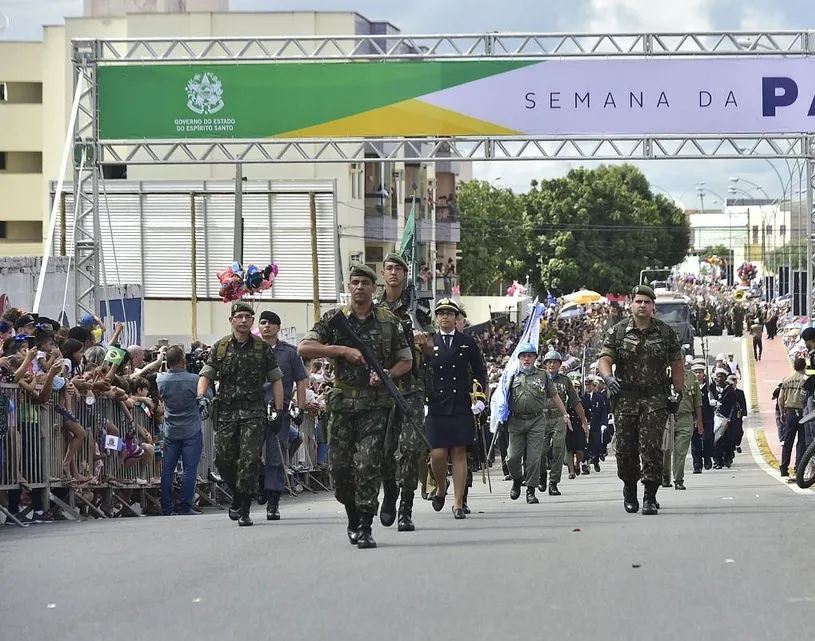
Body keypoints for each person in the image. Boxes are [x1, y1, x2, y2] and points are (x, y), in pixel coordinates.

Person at [299, 265, 412, 549]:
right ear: (349, 287)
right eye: (355, 283)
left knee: (369, 464)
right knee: (339, 469)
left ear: (375, 289)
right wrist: (340, 350)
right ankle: (351, 514)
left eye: (365, 283)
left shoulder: (388, 321)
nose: (359, 287)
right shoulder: (334, 320)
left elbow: (406, 360)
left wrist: (387, 374)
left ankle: (364, 524)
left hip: (376, 406)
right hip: (343, 405)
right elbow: (304, 347)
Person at [197, 301, 284, 527]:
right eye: (239, 316)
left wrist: (279, 409)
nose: (244, 320)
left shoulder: (262, 348)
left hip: (254, 412)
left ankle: (244, 507)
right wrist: (201, 397)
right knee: (222, 459)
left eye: (248, 316)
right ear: (231, 320)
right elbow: (206, 374)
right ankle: (241, 491)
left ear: (252, 321)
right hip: (226, 412)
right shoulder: (221, 347)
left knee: (248, 459)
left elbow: (276, 379)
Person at [598, 284, 683, 516]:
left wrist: (678, 391)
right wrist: (608, 378)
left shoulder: (665, 332)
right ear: (631, 305)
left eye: (647, 302)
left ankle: (650, 495)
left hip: (655, 398)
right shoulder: (618, 331)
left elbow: (677, 363)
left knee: (652, 448)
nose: (642, 305)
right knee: (625, 449)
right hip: (625, 398)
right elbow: (605, 358)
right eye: (638, 301)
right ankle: (629, 488)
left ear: (653, 306)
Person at [377, 253, 433, 531]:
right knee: (384, 452)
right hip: (381, 390)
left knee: (411, 450)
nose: (393, 273)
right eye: (388, 268)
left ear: (404, 273)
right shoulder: (372, 309)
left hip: (411, 388)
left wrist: (423, 344)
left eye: (398, 268)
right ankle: (390, 493)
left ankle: (406, 508)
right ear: (383, 273)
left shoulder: (418, 309)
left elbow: (433, 349)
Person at [425, 298, 487, 519]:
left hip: (460, 404)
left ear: (456, 318)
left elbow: (480, 372)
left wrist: (480, 399)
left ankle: (458, 503)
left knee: (459, 453)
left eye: (450, 313)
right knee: (437, 454)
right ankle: (441, 487)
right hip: (436, 405)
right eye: (441, 313)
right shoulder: (429, 342)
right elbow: (422, 373)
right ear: (437, 317)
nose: (445, 317)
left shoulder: (467, 342)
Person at [257, 310, 308, 521]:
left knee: (276, 457)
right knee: (247, 453)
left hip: (279, 410)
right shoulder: (252, 350)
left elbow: (301, 381)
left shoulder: (290, 353)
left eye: (271, 323)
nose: (266, 326)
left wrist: (301, 408)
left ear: (278, 327)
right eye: (262, 323)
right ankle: (261, 481)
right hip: (253, 411)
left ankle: (273, 501)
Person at [503, 342, 562, 504]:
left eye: (530, 356)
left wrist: (565, 414)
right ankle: (516, 480)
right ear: (519, 358)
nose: (527, 359)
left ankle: (531, 490)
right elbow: (501, 397)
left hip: (536, 420)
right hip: (516, 421)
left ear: (535, 358)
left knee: (534, 458)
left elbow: (554, 395)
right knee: (513, 457)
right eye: (523, 356)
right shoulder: (511, 375)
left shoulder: (543, 375)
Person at [157, 345, 204, 516]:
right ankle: (185, 506)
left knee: (168, 470)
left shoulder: (161, 380)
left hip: (171, 429)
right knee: (190, 469)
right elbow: (207, 397)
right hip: (191, 427)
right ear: (183, 360)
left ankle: (166, 507)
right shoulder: (194, 380)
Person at [539, 350, 588, 495]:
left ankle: (553, 482)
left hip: (559, 418)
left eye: (555, 362)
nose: (552, 364)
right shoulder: (539, 378)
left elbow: (575, 401)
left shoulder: (565, 380)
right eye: (549, 362)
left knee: (558, 450)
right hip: (541, 419)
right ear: (545, 364)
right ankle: (542, 475)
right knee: (541, 451)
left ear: (560, 364)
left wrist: (583, 420)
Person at [662, 356, 702, 490]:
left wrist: (700, 422)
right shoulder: (663, 374)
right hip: (667, 417)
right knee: (665, 450)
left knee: (681, 451)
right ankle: (665, 477)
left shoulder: (691, 377)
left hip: (686, 418)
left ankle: (678, 479)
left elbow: (698, 401)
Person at [778, 357, 807, 478]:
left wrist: (782, 412)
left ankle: (784, 468)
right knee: (801, 442)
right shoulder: (806, 380)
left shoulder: (787, 380)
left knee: (788, 441)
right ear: (804, 366)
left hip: (790, 413)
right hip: (803, 413)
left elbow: (780, 399)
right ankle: (798, 467)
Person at [690, 358, 715, 473]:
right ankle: (697, 464)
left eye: (700, 372)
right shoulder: (690, 387)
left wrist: (714, 402)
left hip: (707, 418)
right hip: (694, 418)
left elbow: (717, 398)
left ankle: (707, 457)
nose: (698, 374)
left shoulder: (710, 387)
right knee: (695, 442)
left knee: (708, 439)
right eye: (696, 372)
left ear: (704, 374)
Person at [582, 376, 609, 473]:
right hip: (587, 425)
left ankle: (596, 460)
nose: (588, 387)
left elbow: (603, 411)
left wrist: (604, 423)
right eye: (587, 385)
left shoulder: (599, 397)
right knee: (586, 445)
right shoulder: (583, 397)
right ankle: (585, 463)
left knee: (596, 444)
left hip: (596, 425)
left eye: (590, 385)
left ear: (594, 386)